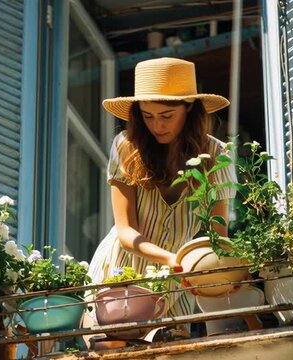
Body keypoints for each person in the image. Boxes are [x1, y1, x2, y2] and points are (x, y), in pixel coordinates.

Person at [87, 57, 237, 322]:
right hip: (119, 277)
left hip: (174, 290)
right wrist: (177, 261)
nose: (157, 126)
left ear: (189, 108)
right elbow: (125, 232)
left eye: (167, 116)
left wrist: (221, 272)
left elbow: (217, 238)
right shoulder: (126, 146)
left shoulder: (216, 155)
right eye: (148, 117)